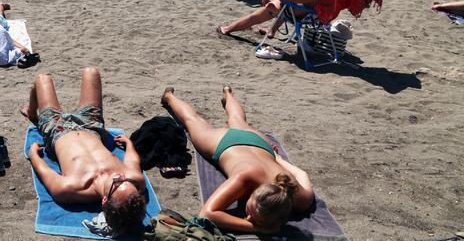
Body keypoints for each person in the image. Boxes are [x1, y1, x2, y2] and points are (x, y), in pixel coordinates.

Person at [160, 86, 313, 234]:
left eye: (254, 219)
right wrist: (257, 228)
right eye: (250, 213)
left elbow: (302, 174)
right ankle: (169, 97)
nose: (248, 218)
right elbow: (207, 214)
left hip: (260, 144)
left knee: (236, 119)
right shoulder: (245, 177)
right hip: (227, 143)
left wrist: (278, 159)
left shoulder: (299, 196)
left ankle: (228, 93)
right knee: (192, 121)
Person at [20, 68, 147, 236]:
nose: (119, 177)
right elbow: (132, 161)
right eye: (126, 181)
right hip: (92, 127)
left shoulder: (71, 188)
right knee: (91, 72)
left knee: (42, 79)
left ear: (104, 200)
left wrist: (34, 154)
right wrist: (129, 145)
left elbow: (44, 171)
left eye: (117, 184)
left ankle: (31, 110)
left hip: (57, 130)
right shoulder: (134, 180)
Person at [216, 0, 331, 37]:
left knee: (271, 5)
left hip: (296, 15)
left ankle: (227, 29)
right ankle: (271, 31)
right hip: (315, 19)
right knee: (283, 3)